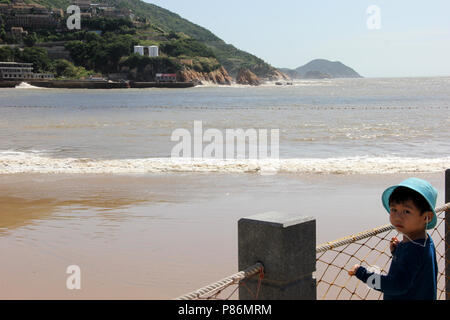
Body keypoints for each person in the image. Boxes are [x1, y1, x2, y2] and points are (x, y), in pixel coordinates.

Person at [348, 178, 439, 300]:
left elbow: (395, 285)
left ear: (427, 217)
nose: (397, 217)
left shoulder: (414, 250)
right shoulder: (424, 241)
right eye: (393, 209)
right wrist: (398, 251)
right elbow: (414, 266)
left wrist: (363, 274)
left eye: (406, 211)